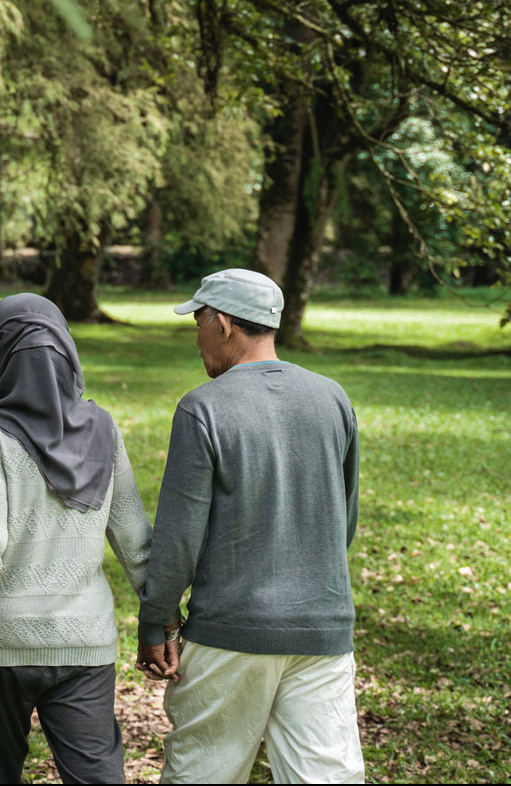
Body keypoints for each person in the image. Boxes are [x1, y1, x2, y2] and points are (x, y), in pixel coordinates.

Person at [137, 268, 365, 784]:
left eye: (196, 322)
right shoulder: (333, 398)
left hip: (229, 635)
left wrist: (157, 621)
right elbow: (342, 524)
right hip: (323, 633)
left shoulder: (202, 408)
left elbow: (178, 541)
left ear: (221, 324)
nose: (195, 339)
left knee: (203, 773)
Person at [0, 293, 152, 785]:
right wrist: (164, 618)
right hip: (84, 643)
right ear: (69, 351)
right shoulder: (103, 429)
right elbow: (136, 539)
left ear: (1, 355)